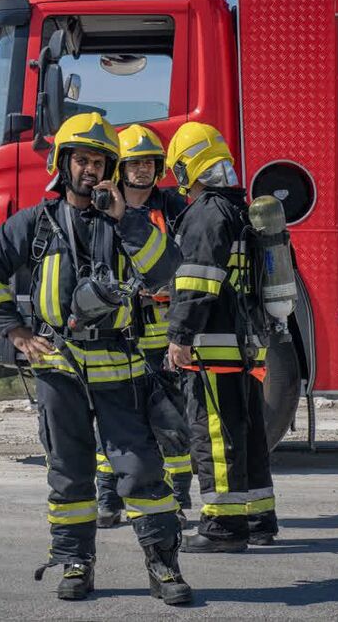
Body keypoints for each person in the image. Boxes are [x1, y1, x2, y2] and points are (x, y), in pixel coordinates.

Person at [0, 112, 193, 605]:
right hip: (58, 371)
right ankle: (74, 560)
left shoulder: (127, 221)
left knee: (141, 471)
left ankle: (163, 564)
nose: (90, 170)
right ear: (62, 164)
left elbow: (168, 273)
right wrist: (17, 332)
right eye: (81, 160)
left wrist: (126, 220)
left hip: (122, 369)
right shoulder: (35, 224)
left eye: (99, 161)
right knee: (69, 471)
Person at [164, 122, 278, 553]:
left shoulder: (207, 212)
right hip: (246, 345)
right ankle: (259, 517)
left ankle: (223, 527)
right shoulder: (239, 208)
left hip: (212, 346)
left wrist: (180, 335)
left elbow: (198, 281)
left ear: (187, 168)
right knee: (247, 433)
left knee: (215, 434)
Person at [95, 124, 193, 529]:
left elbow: (186, 261)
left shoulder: (174, 207)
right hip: (118, 337)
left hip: (161, 338)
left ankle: (178, 499)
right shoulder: (102, 211)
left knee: (173, 425)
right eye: (134, 163)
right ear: (121, 168)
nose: (141, 171)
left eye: (149, 163)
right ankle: (107, 501)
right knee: (114, 425)